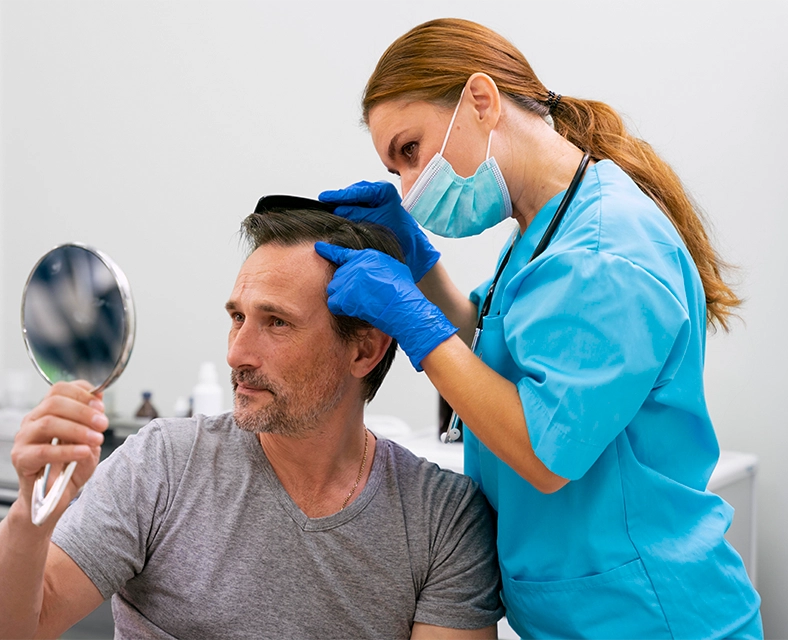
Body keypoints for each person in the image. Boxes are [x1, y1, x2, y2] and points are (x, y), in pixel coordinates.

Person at [315, 17, 762, 640]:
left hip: (652, 616)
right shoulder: (543, 226)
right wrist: (419, 266)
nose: (411, 189)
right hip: (581, 615)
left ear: (480, 101)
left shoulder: (607, 251)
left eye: (410, 152)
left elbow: (545, 452)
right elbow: (495, 352)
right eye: (396, 172)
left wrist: (414, 327)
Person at [0, 204, 504, 640]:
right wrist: (30, 514)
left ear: (364, 350)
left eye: (277, 323)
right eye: (237, 317)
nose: (238, 352)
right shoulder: (164, 464)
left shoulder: (441, 520)